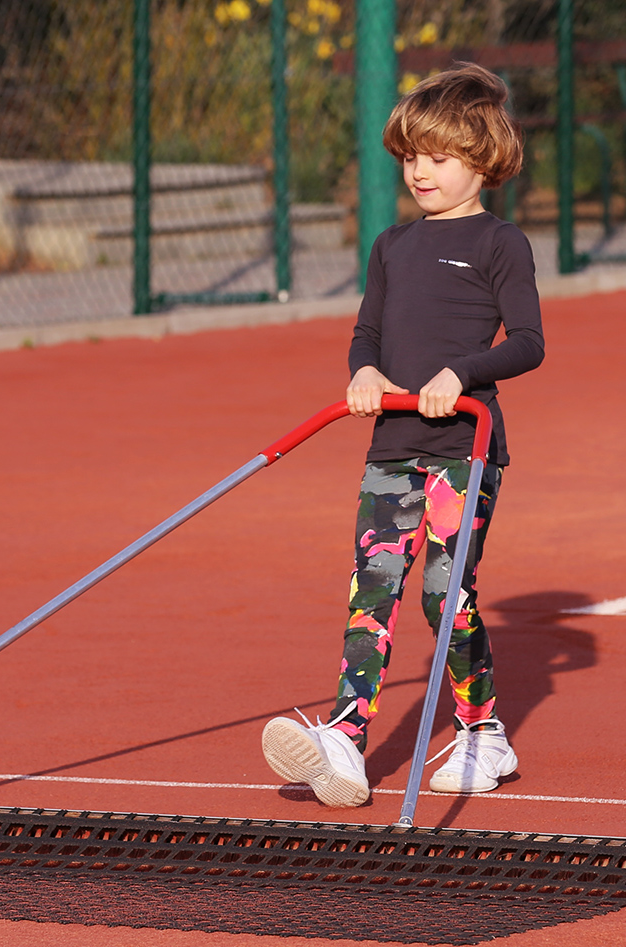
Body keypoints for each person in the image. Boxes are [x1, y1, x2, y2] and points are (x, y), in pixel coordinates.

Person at [261, 62, 545, 807]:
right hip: (392, 447)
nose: (421, 171)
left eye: (439, 157)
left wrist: (461, 373)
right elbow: (369, 331)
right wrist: (363, 372)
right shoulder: (391, 244)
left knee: (445, 594)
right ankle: (344, 739)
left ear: (481, 160)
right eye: (412, 157)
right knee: (373, 592)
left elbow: (528, 342)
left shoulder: (501, 242)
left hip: (464, 451)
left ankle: (483, 733)